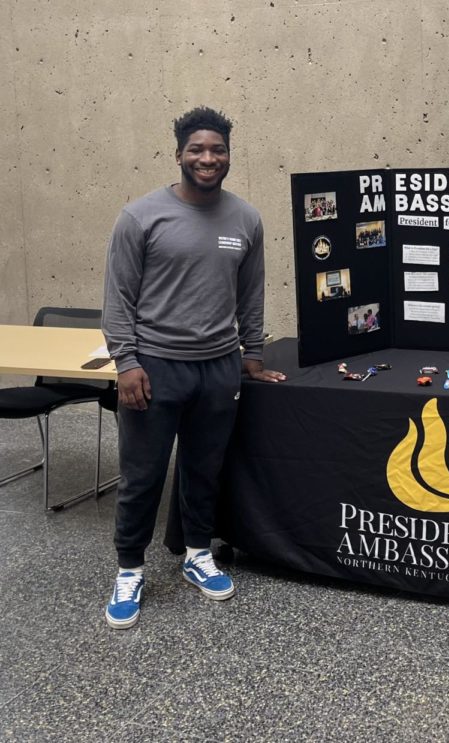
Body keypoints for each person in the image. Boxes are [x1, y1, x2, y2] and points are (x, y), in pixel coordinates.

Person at [101, 106, 286, 630]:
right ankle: (129, 569)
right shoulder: (141, 216)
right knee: (143, 475)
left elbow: (250, 295)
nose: (208, 158)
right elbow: (117, 297)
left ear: (229, 154)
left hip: (218, 368)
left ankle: (197, 554)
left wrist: (250, 355)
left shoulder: (246, 218)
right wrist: (127, 361)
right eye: (198, 149)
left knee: (205, 468)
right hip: (155, 368)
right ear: (178, 152)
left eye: (218, 150)